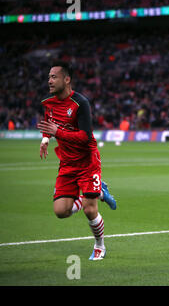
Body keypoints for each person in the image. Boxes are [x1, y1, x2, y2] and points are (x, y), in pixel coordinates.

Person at [37, 61, 117, 260]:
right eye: (49, 77)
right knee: (60, 211)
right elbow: (48, 122)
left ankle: (100, 246)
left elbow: (85, 137)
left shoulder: (80, 103)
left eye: (54, 77)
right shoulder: (48, 103)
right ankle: (98, 192)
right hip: (67, 163)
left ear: (67, 79)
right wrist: (46, 139)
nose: (49, 81)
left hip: (87, 161)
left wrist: (58, 132)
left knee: (90, 210)